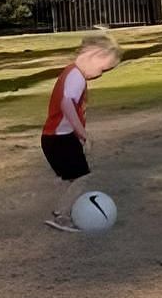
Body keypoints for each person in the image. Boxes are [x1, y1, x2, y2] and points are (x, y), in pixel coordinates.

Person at [41, 31, 121, 231]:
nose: (100, 74)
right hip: (60, 139)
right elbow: (67, 104)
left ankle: (64, 208)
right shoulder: (76, 76)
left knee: (71, 177)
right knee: (82, 176)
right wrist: (83, 134)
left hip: (55, 138)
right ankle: (62, 215)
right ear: (94, 55)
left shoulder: (71, 72)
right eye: (102, 69)